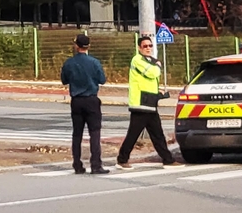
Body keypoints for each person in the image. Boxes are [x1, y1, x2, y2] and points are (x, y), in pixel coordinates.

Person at [117, 35, 181, 168]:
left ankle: (168, 159)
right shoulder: (137, 60)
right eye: (145, 46)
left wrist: (158, 94)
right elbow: (152, 73)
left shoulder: (150, 60)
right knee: (133, 134)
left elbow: (149, 82)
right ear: (139, 48)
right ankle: (122, 160)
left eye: (150, 46)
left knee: (158, 134)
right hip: (140, 104)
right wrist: (158, 66)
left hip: (150, 103)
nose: (148, 48)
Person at [60, 33, 108, 174]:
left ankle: (77, 164)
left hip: (76, 100)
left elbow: (64, 80)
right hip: (92, 99)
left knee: (77, 134)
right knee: (94, 133)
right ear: (88, 46)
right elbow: (102, 79)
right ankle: (96, 164)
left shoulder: (69, 63)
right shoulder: (94, 62)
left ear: (76, 46)